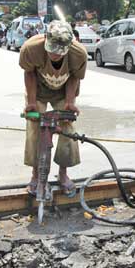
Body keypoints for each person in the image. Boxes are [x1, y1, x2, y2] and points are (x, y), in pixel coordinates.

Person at [20, 20, 87, 196]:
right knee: (35, 126)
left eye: (59, 53)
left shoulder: (78, 54)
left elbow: (74, 78)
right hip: (38, 91)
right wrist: (32, 103)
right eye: (52, 50)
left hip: (63, 92)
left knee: (68, 128)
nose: (55, 55)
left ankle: (63, 174)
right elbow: (29, 74)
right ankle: (36, 175)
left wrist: (70, 103)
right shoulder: (31, 48)